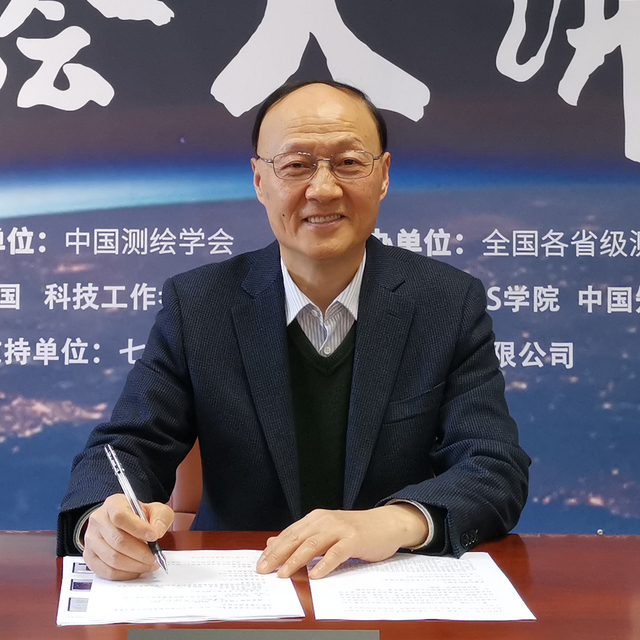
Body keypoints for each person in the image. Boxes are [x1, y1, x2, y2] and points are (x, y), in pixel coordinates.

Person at [57, 80, 530, 581]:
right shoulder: (198, 306)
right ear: (260, 180)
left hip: (385, 582)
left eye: (348, 162)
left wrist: (393, 522)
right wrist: (100, 522)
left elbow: (493, 464)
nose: (323, 189)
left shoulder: (446, 302)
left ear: (384, 175)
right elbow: (127, 445)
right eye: (296, 165)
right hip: (241, 584)